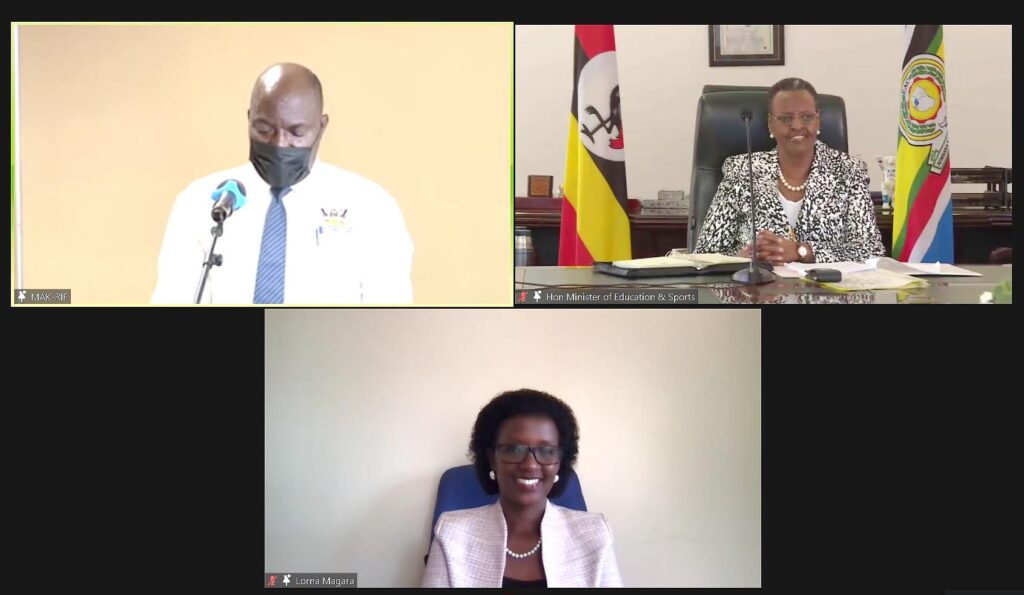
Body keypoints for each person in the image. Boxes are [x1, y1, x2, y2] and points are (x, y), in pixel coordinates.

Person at [151, 63, 413, 304]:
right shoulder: (201, 202)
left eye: (296, 133)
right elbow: (174, 297)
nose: (278, 144)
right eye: (263, 129)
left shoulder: (371, 207)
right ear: (249, 119)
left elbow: (388, 315)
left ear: (321, 128)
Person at [423, 389, 623, 588]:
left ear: (560, 462)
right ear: (492, 459)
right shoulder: (452, 535)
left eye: (546, 451)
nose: (530, 465)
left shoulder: (595, 534)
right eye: (514, 449)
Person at [695, 77, 884, 264]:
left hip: (826, 292)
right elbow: (705, 253)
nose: (797, 126)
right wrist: (741, 259)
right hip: (757, 290)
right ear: (770, 124)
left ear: (817, 120)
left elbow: (870, 250)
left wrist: (800, 251)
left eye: (806, 116)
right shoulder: (743, 171)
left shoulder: (849, 170)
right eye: (786, 118)